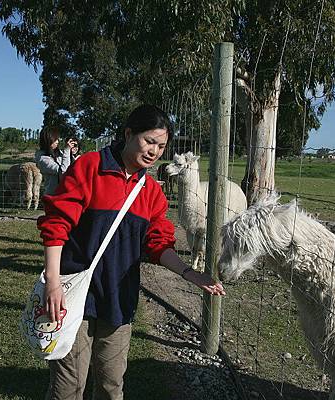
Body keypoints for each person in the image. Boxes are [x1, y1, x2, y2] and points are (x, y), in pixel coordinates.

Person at [38, 104, 225, 400]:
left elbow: (158, 244)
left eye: (161, 146)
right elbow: (57, 223)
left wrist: (191, 275)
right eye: (149, 141)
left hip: (118, 299)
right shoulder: (90, 167)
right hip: (74, 297)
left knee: (111, 386)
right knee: (67, 388)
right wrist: (53, 281)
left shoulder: (151, 191)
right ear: (128, 134)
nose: (154, 152)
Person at [35, 127, 76, 196]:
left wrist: (70, 154)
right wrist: (66, 150)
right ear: (47, 140)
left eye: (57, 139)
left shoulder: (59, 153)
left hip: (65, 193)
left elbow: (72, 168)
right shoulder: (43, 159)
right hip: (53, 196)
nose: (57, 141)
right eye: (55, 139)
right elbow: (63, 171)